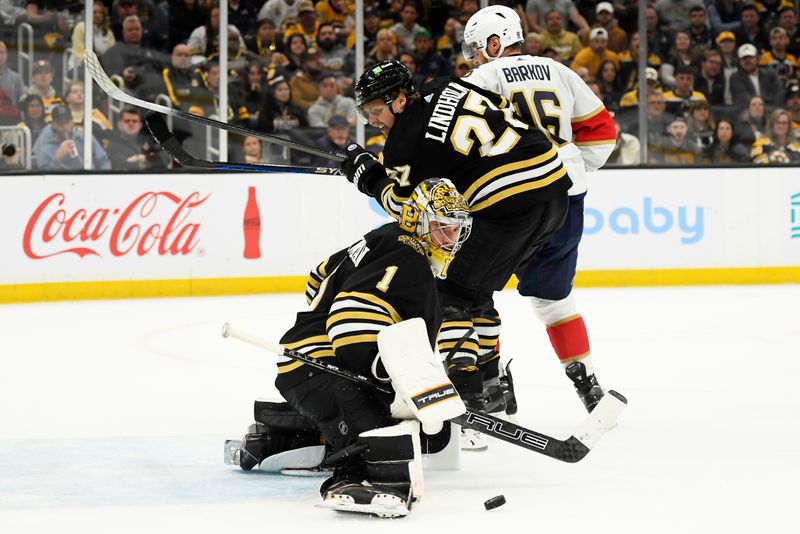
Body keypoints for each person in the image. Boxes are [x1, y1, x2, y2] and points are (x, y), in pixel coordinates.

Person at [344, 57, 573, 450]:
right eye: (366, 115)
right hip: (553, 189)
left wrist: (369, 178)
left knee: (446, 292)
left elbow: (410, 206)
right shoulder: (444, 84)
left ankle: (469, 399)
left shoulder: (403, 143)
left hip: (509, 204)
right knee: (475, 291)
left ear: (399, 100)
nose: (373, 121)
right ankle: (490, 383)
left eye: (375, 111)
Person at [228, 178, 473, 517]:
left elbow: (319, 275)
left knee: (396, 423)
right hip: (322, 365)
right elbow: (350, 319)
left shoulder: (382, 238)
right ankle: (350, 481)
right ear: (417, 218)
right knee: (380, 433)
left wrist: (317, 323)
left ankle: (272, 442)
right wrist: (390, 375)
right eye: (441, 227)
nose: (450, 239)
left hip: (307, 360)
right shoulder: (410, 258)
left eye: (455, 229)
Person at [460, 5, 615, 421]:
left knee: (470, 294)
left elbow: (459, 143)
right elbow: (602, 137)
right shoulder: (559, 70)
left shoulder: (483, 78)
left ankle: (489, 386)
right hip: (566, 202)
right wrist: (568, 167)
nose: (473, 59)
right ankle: (589, 384)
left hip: (507, 206)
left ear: (495, 44)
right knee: (555, 300)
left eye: (476, 49)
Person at [33, 105, 111, 171]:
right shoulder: (45, 148)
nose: (64, 127)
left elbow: (103, 161)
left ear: (72, 122)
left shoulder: (86, 138)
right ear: (53, 125)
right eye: (60, 123)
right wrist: (57, 158)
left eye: (67, 122)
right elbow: (43, 177)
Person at [729, 43, 785, 109]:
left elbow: (779, 95)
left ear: (757, 58)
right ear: (739, 61)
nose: (747, 61)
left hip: (772, 112)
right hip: (746, 114)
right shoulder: (735, 77)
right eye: (744, 58)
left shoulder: (771, 74)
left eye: (750, 57)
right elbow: (743, 100)